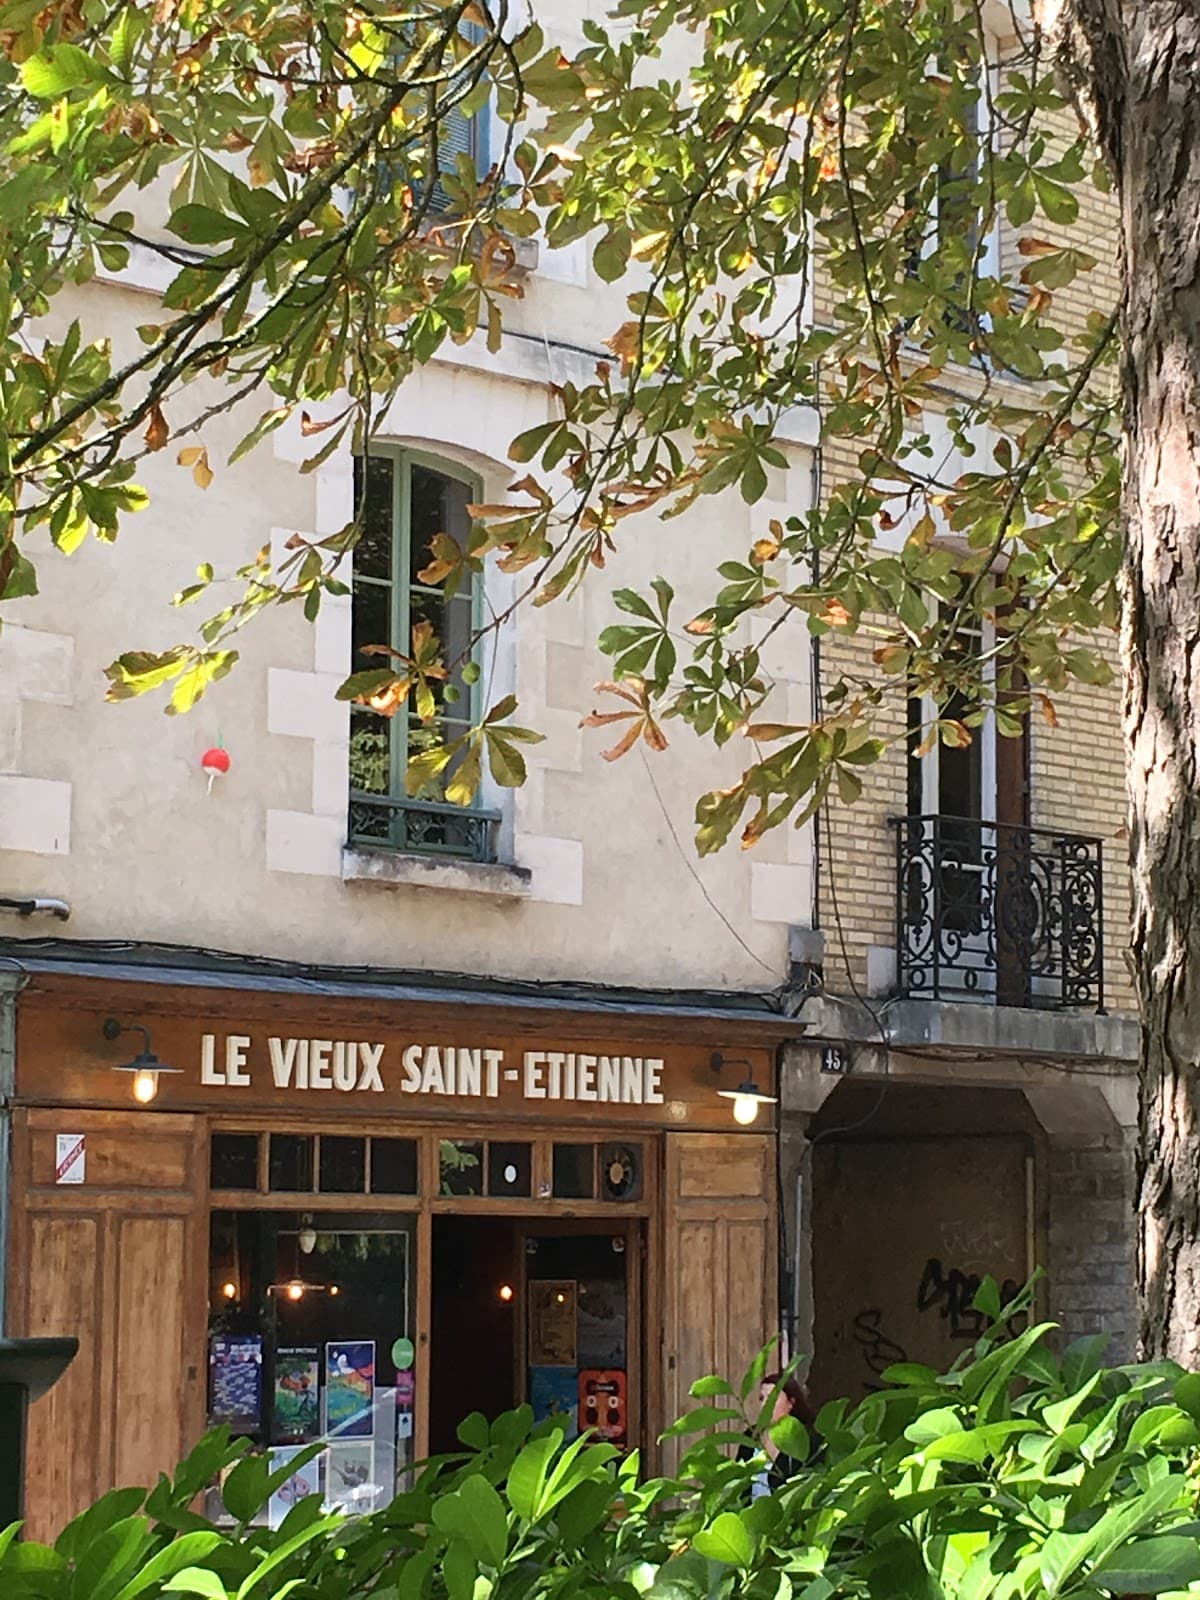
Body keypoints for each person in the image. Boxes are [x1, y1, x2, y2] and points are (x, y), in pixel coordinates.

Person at [739, 1372, 818, 1498]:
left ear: (791, 1403)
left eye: (772, 1398)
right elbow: (739, 1482)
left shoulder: (805, 1439)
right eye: (762, 1398)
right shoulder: (750, 1437)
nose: (765, 1404)